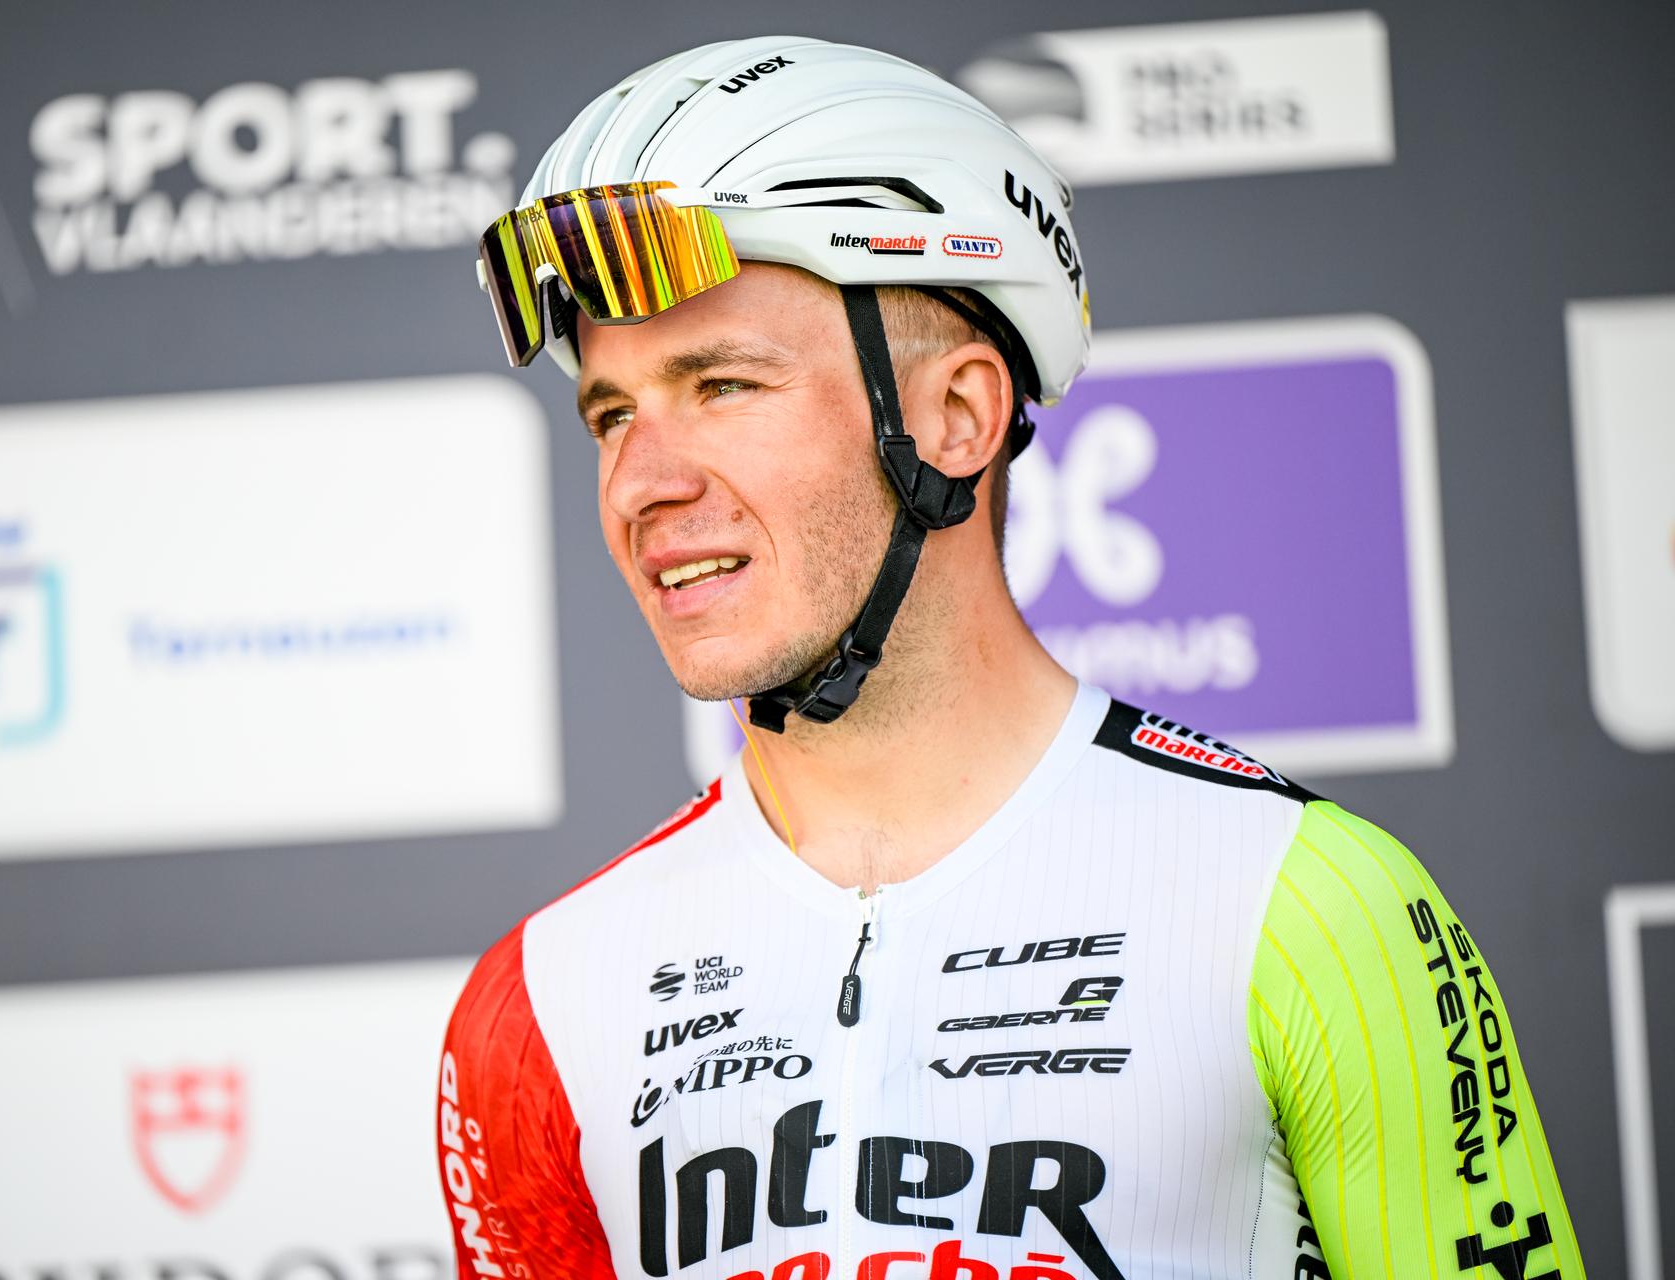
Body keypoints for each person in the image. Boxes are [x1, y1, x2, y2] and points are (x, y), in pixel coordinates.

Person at [436, 34, 1583, 1280]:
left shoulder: (1306, 902)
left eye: (722, 385)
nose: (639, 484)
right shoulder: (539, 1001)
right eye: (612, 414)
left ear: (957, 415)